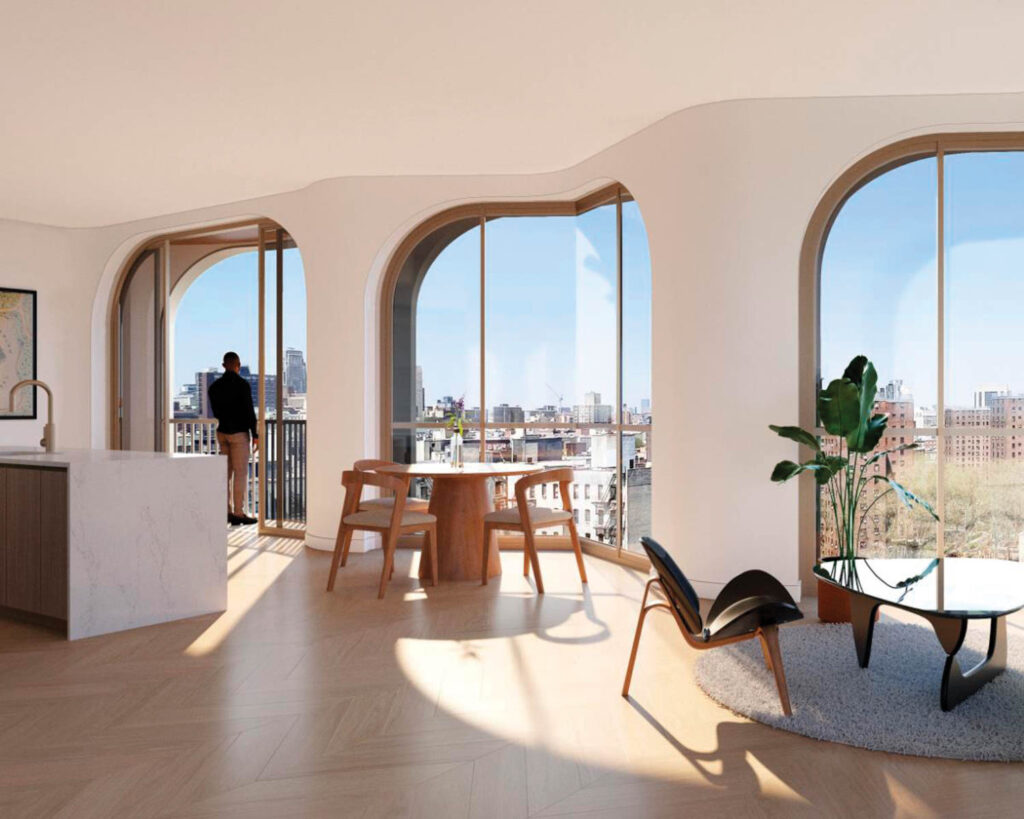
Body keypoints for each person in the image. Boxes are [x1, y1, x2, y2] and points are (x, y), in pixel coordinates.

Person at [208, 352, 259, 525]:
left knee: (225, 474)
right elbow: (249, 412)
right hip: (239, 434)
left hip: (222, 432)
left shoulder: (214, 387)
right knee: (240, 474)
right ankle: (238, 513)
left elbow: (216, 412)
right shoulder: (242, 385)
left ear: (224, 365)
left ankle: (226, 512)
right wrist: (255, 435)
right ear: (238, 365)